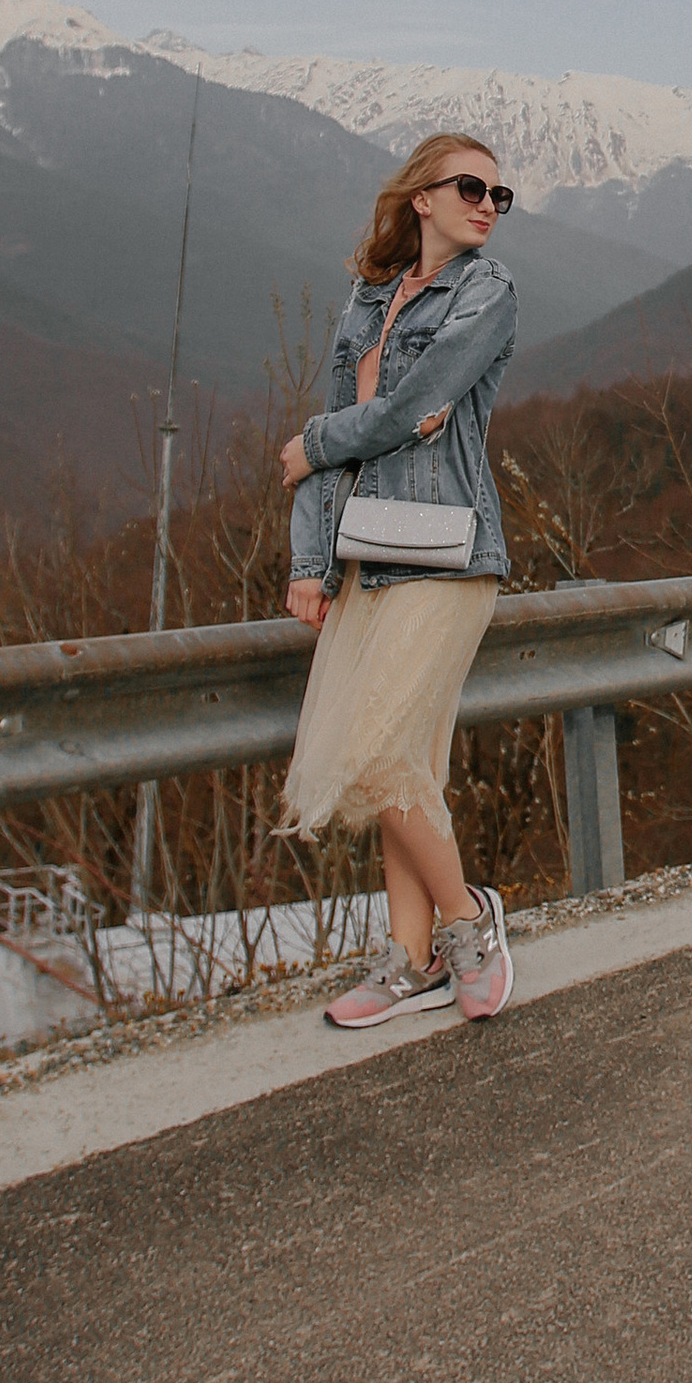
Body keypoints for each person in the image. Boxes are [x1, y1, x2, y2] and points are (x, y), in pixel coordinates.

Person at [279, 132, 521, 1028]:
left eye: (498, 195)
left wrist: (316, 441)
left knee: (379, 751)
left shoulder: (488, 292)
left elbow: (407, 410)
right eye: (470, 188)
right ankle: (409, 960)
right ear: (422, 197)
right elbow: (344, 444)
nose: (488, 206)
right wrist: (311, 564)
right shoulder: (368, 300)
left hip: (449, 556)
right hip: (369, 555)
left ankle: (468, 920)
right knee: (401, 769)